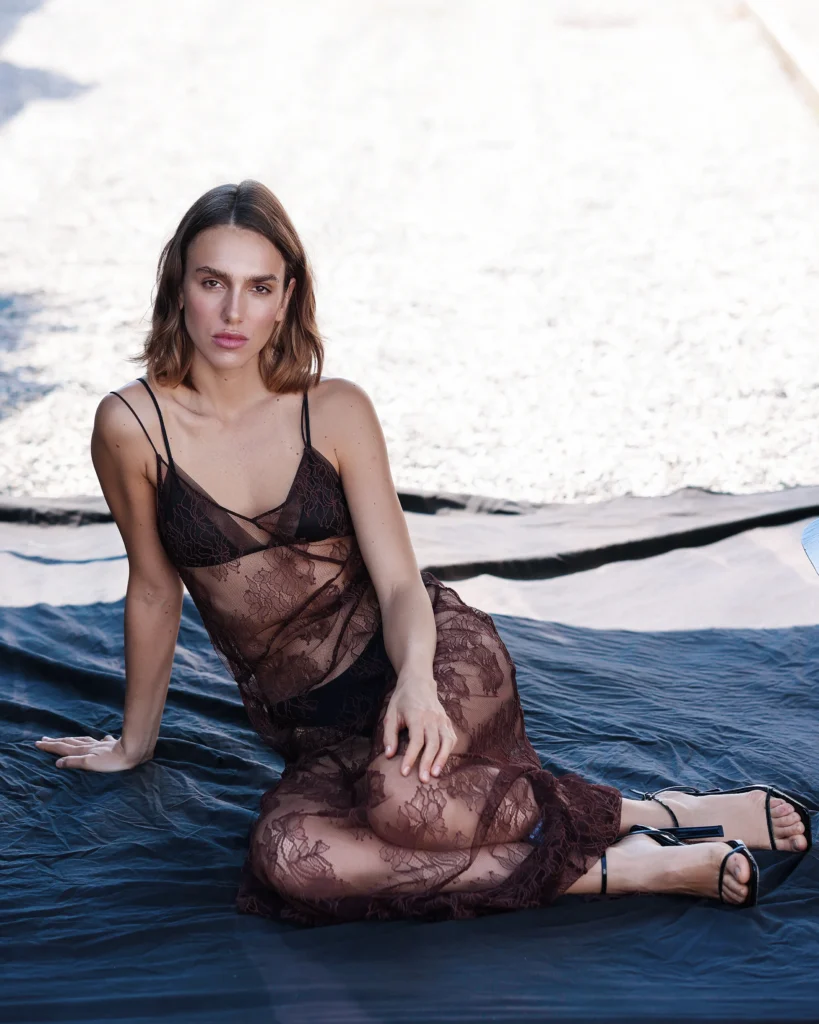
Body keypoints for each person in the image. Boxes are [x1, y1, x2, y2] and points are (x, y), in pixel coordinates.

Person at [34, 180, 811, 927]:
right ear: (179, 285)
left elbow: (402, 584)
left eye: (259, 287)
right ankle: (628, 863)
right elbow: (153, 588)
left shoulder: (334, 410)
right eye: (213, 282)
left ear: (288, 297)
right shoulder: (132, 427)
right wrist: (134, 745)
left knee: (407, 807)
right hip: (314, 729)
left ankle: (655, 816)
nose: (234, 312)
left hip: (426, 660)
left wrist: (415, 683)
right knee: (291, 859)